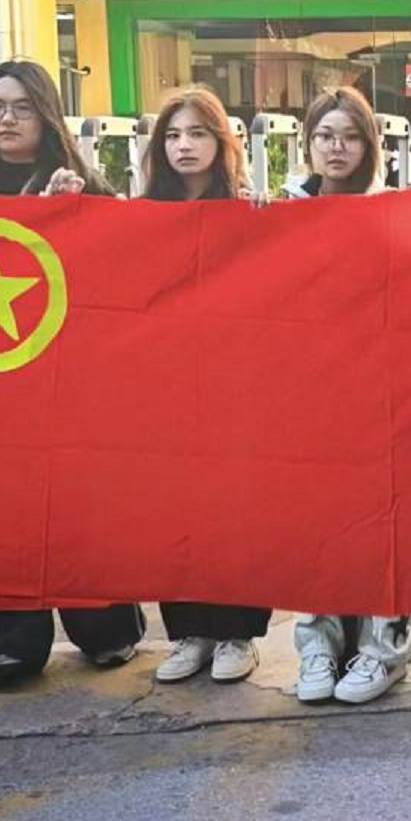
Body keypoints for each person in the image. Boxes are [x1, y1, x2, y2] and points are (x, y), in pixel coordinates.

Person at [0, 59, 147, 688]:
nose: (6, 119)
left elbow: (125, 273)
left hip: (70, 386)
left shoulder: (85, 187)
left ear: (47, 115)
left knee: (78, 504)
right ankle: (9, 640)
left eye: (21, 107)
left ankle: (106, 628)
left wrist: (73, 213)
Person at [282, 87, 411, 706]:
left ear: (371, 145)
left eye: (349, 136)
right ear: (307, 143)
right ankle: (318, 643)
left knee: (380, 519)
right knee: (314, 521)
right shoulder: (283, 213)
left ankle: (383, 645)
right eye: (324, 135)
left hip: (378, 391)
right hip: (308, 394)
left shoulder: (395, 211)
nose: (336, 148)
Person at [138, 87, 271, 686]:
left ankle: (237, 633)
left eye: (196, 134)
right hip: (165, 387)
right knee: (173, 508)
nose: (183, 146)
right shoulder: (140, 217)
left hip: (234, 385)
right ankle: (188, 632)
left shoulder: (248, 212)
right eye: (172, 135)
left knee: (235, 507)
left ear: (221, 143)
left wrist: (271, 221)